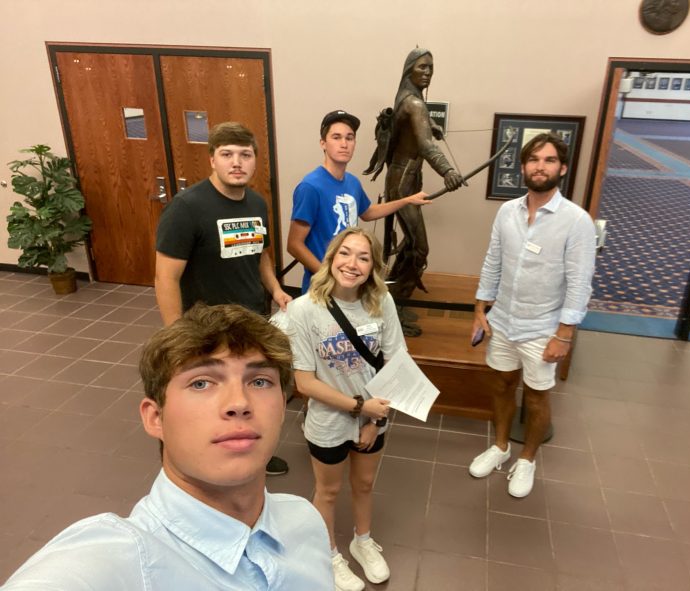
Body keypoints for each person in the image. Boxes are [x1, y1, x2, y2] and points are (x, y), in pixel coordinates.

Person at [3, 304, 333, 590]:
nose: (239, 403)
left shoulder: (305, 521)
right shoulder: (117, 558)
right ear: (155, 417)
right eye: (201, 382)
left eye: (259, 381)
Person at [155, 121, 292, 476]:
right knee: (204, 395)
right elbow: (165, 276)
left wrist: (276, 289)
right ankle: (184, 463)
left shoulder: (258, 203)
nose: (237, 162)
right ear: (212, 159)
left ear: (255, 160)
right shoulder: (187, 208)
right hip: (204, 329)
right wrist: (176, 336)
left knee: (247, 392)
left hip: (251, 323)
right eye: (227, 154)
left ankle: (252, 453)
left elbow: (261, 255)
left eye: (245, 155)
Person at [469, 133, 596, 498]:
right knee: (502, 385)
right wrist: (480, 309)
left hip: (544, 327)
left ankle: (527, 459)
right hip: (504, 321)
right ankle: (501, 447)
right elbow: (493, 261)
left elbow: (579, 283)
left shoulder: (576, 221)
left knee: (538, 397)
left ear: (563, 168)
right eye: (534, 160)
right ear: (524, 166)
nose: (541, 166)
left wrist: (564, 335)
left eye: (549, 160)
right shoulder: (507, 211)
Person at [286, 227, 404, 591]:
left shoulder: (381, 301)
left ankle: (362, 540)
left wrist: (372, 417)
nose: (352, 264)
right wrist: (359, 406)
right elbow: (304, 382)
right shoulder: (304, 310)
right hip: (328, 421)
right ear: (331, 258)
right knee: (329, 491)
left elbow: (396, 362)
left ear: (373, 267)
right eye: (345, 254)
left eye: (364, 258)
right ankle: (330, 553)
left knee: (365, 483)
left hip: (373, 417)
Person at [287, 109, 430, 294]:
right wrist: (328, 274)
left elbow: (368, 212)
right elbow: (294, 244)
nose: (344, 144)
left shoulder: (352, 182)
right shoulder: (310, 187)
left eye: (350, 138)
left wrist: (407, 200)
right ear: (323, 143)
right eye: (336, 137)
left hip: (350, 282)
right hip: (322, 286)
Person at [376, 48, 463, 328]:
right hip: (402, 183)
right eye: (422, 67)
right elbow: (425, 146)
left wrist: (431, 124)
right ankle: (393, 306)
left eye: (430, 68)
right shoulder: (414, 103)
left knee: (413, 245)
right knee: (419, 248)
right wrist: (448, 170)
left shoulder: (407, 100)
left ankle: (393, 302)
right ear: (409, 69)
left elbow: (411, 132)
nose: (427, 73)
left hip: (405, 180)